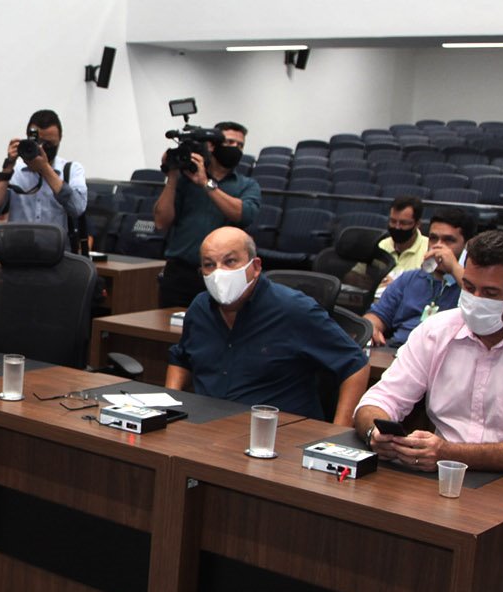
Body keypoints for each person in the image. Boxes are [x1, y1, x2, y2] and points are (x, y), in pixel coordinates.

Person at [355, 230, 503, 476]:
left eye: (490, 293)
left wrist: (449, 453)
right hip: (446, 475)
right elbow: (378, 400)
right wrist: (374, 432)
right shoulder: (437, 330)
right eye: (469, 286)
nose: (475, 300)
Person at [165, 227, 370, 424]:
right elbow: (181, 358)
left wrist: (338, 432)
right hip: (209, 426)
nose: (219, 272)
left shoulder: (294, 309)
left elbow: (355, 364)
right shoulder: (200, 308)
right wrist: (169, 406)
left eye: (230, 261)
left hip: (280, 432)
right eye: (209, 265)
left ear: (255, 267)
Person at [152, 121, 259, 308]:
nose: (235, 148)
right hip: (180, 274)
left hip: (224, 275)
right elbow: (161, 222)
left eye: (240, 145)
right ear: (211, 145)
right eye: (229, 142)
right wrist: (172, 176)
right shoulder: (185, 181)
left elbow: (243, 215)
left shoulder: (247, 185)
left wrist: (205, 183)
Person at [364, 207, 475, 347]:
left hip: (444, 352)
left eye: (448, 240)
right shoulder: (408, 279)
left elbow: (477, 301)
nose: (438, 247)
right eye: (433, 238)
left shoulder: (470, 286)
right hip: (399, 348)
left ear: (466, 246)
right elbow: (376, 315)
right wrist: (371, 326)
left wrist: (454, 268)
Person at [0, 108, 87, 239]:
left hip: (57, 250)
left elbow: (78, 209)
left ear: (60, 139)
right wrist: (8, 167)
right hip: (18, 248)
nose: (42, 148)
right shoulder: (16, 171)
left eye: (49, 144)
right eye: (38, 143)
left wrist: (45, 169)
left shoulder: (72, 170)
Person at [367, 194, 429, 290]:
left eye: (403, 223)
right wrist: (373, 282)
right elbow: (352, 276)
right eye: (393, 221)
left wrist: (397, 286)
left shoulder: (429, 250)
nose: (397, 227)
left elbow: (432, 288)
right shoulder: (380, 245)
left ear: (417, 224)